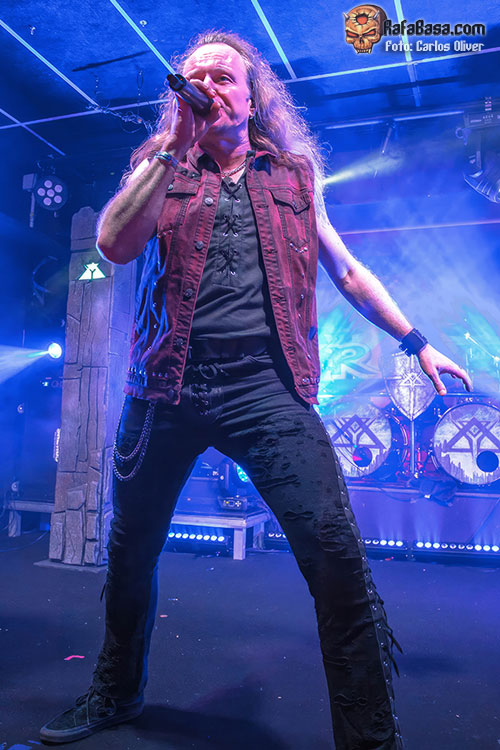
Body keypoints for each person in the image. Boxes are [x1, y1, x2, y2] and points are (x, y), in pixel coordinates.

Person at [40, 30, 471, 749]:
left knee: (336, 559)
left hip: (267, 389)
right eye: (194, 76)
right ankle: (115, 692)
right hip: (165, 387)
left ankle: (368, 738)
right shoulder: (159, 164)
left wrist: (416, 341)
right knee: (130, 551)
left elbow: (347, 271)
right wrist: (173, 147)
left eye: (223, 76)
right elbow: (113, 245)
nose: (207, 85)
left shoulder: (294, 176)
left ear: (252, 95)